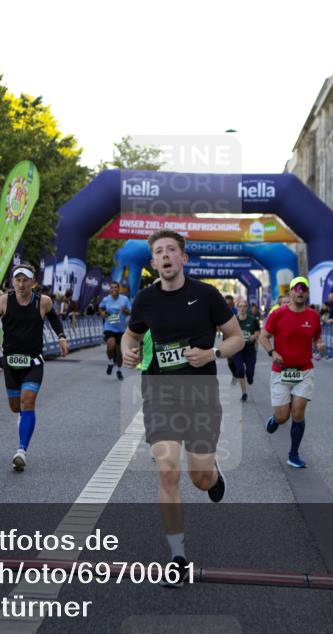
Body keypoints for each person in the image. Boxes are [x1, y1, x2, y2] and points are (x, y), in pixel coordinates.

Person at [121, 230, 244, 586]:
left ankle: (213, 474)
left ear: (183, 258)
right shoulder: (145, 299)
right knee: (167, 471)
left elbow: (237, 338)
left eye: (171, 250)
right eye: (159, 251)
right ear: (152, 262)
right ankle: (177, 556)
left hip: (201, 395)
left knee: (199, 479)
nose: (165, 255)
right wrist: (127, 350)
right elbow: (131, 334)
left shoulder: (206, 295)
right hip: (160, 394)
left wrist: (212, 353)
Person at [0, 262, 69, 471]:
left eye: (25, 280)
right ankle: (23, 419)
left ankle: (21, 450)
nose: (21, 284)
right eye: (17, 280)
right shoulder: (4, 301)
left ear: (33, 282)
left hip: (34, 361)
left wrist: (61, 337)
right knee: (16, 407)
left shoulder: (43, 302)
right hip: (11, 362)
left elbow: (55, 320)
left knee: (27, 402)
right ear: (13, 281)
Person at [258, 276, 324, 469]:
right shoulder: (278, 314)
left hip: (304, 371)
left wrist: (320, 344)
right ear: (291, 292)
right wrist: (272, 352)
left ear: (307, 293)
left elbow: (317, 337)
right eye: (297, 288)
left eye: (304, 289)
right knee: (282, 416)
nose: (300, 292)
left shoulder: (313, 316)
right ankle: (275, 420)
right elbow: (263, 336)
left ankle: (293, 454)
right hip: (281, 371)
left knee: (298, 412)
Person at [98, 281, 132, 380]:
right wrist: (102, 313)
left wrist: (125, 310)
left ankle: (119, 370)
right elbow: (100, 308)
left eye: (115, 287)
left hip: (121, 329)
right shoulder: (106, 299)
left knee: (119, 354)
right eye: (112, 287)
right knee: (110, 346)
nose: (114, 289)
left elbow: (131, 312)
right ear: (110, 289)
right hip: (109, 327)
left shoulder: (124, 299)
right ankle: (110, 362)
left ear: (119, 289)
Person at [231, 296, 260, 402]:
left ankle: (250, 376)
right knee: (240, 370)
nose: (242, 308)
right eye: (240, 306)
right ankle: (244, 393)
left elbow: (258, 331)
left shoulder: (252, 319)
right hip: (237, 349)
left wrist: (254, 336)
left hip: (250, 349)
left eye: (244, 306)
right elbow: (229, 333)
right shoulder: (233, 320)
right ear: (237, 308)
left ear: (247, 308)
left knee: (250, 372)